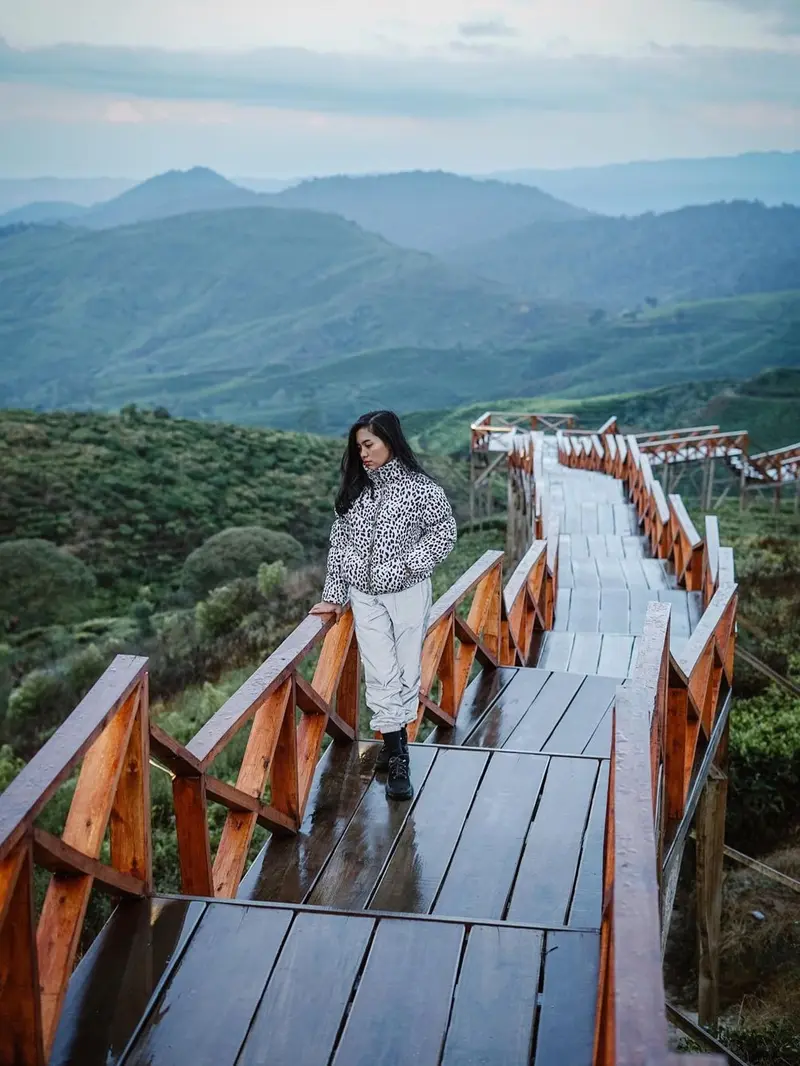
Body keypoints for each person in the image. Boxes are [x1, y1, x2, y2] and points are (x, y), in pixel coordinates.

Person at [311, 410, 457, 800]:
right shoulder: (355, 491)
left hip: (408, 593)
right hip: (364, 595)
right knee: (380, 673)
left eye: (369, 444)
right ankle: (397, 758)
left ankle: (395, 743)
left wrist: (407, 566)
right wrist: (333, 596)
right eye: (358, 446)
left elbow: (445, 533)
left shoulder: (421, 489)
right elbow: (339, 548)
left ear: (390, 441)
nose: (363, 453)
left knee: (408, 673)